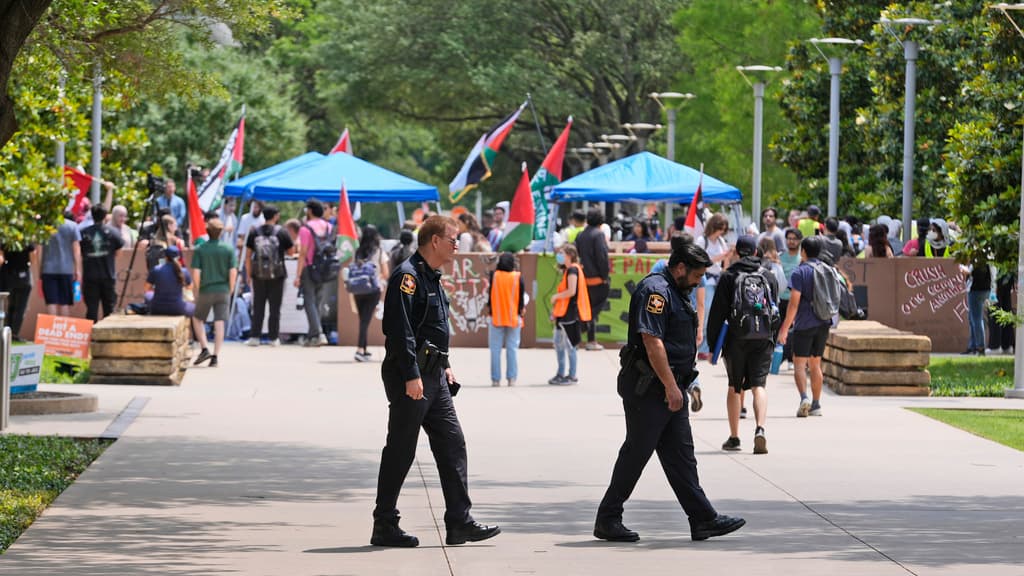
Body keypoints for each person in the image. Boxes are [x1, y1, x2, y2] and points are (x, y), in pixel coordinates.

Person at [594, 236, 745, 543]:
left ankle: (703, 519)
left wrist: (679, 385)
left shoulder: (675, 289)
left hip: (669, 386)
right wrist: (671, 386)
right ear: (680, 268)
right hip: (651, 388)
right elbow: (652, 341)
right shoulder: (656, 291)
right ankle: (608, 519)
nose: (700, 281)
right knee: (636, 453)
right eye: (697, 275)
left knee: (681, 457)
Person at [372, 215, 500, 548]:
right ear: (434, 241)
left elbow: (432, 330)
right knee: (401, 449)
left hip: (435, 377)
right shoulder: (408, 277)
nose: (457, 245)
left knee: (452, 443)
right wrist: (412, 375)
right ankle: (384, 523)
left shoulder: (432, 277)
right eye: (453, 239)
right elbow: (400, 333)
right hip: (411, 378)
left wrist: (445, 365)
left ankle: (460, 522)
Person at [707, 236, 778, 455]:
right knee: (759, 385)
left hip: (736, 338)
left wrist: (712, 345)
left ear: (737, 252)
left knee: (734, 386)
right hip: (763, 337)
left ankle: (734, 437)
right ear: (756, 251)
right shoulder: (767, 275)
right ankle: (760, 428)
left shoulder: (729, 276)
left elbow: (717, 313)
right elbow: (775, 307)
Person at [777, 237, 831, 418]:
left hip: (805, 323)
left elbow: (793, 304)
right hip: (824, 322)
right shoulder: (827, 269)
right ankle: (817, 404)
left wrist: (784, 328)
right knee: (816, 364)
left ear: (804, 251)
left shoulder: (800, 272)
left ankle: (804, 398)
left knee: (799, 364)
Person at [190, 219, 237, 368]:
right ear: (221, 232)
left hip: (206, 289)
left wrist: (197, 289)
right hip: (223, 289)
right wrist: (230, 288)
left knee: (197, 318)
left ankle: (204, 347)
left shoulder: (200, 249)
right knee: (219, 322)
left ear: (207, 231)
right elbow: (233, 271)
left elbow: (196, 272)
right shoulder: (228, 249)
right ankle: (216, 356)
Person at [245, 205, 293, 347]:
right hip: (277, 275)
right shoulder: (281, 232)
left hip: (258, 275)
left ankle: (255, 337)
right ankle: (273, 338)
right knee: (275, 307)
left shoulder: (254, 232)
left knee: (258, 307)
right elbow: (291, 252)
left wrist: (249, 274)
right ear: (276, 216)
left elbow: (248, 256)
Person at [548, 244, 590, 385]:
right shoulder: (568, 270)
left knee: (570, 346)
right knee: (559, 344)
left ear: (569, 255)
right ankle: (561, 373)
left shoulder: (573, 270)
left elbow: (571, 291)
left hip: (570, 315)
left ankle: (571, 375)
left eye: (562, 253)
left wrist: (556, 297)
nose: (559, 256)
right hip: (563, 314)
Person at [295, 199, 333, 347]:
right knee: (317, 301)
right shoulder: (329, 227)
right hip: (325, 268)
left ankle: (319, 333)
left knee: (309, 301)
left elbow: (303, 253)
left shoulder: (305, 229)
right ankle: (312, 337)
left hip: (309, 267)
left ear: (310, 211)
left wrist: (298, 275)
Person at [485, 252, 526, 386]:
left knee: (495, 350)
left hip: (496, 317)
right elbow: (520, 299)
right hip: (513, 318)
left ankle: (495, 380)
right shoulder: (518, 277)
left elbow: (490, 296)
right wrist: (521, 311)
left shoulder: (494, 276)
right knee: (512, 349)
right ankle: (511, 378)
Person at [79, 205, 125, 322]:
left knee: (91, 309)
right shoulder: (113, 232)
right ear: (105, 216)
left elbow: (79, 252)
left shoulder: (83, 233)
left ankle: (91, 337)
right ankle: (107, 337)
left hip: (90, 277)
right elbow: (119, 252)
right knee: (109, 310)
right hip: (108, 275)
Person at [351, 225, 389, 362]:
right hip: (373, 290)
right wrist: (376, 279)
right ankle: (360, 349)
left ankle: (365, 349)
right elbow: (385, 273)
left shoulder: (357, 252)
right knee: (365, 321)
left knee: (363, 319)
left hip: (358, 289)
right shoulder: (379, 251)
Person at [695, 212, 731, 358]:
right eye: (719, 228)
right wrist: (721, 257)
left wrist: (725, 269)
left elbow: (725, 260)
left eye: (723, 229)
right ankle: (702, 348)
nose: (721, 232)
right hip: (705, 279)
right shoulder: (702, 240)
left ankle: (711, 347)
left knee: (718, 314)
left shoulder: (721, 241)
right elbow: (701, 259)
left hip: (718, 279)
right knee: (706, 311)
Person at [575, 207, 610, 351]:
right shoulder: (599, 235)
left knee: (587, 307)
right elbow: (602, 257)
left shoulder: (580, 235)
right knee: (592, 310)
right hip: (597, 279)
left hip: (583, 278)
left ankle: (590, 340)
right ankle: (582, 330)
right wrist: (605, 276)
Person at [41, 211, 82, 317]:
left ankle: (52, 331)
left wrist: (39, 270)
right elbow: (76, 249)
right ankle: (63, 331)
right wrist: (77, 269)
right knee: (65, 303)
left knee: (51, 302)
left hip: (48, 269)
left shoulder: (45, 226)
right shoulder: (72, 226)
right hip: (67, 269)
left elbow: (39, 250)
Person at [0, 242, 36, 340]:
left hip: (8, 275)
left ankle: (7, 333)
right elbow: (33, 256)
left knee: (9, 306)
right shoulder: (27, 238)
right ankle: (13, 333)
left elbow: (1, 258)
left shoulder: (6, 237)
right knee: (20, 308)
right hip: (23, 275)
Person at [146, 245, 194, 317]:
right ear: (178, 257)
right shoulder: (183, 271)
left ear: (165, 257)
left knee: (148, 295)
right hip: (177, 308)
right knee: (194, 307)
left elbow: (146, 288)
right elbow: (190, 287)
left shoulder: (156, 269)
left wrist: (157, 290)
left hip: (157, 309)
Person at [779, 228, 802, 367]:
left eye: (794, 238)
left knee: (793, 330)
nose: (791, 241)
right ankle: (779, 356)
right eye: (789, 238)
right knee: (780, 328)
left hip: (795, 299)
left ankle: (790, 359)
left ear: (799, 241)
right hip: (781, 298)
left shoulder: (801, 259)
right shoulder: (780, 257)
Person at [963, 255, 991, 356]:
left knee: (976, 320)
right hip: (982, 290)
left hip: (976, 290)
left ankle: (980, 347)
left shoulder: (977, 261)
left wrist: (967, 271)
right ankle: (973, 346)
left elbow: (976, 274)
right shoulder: (984, 259)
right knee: (974, 319)